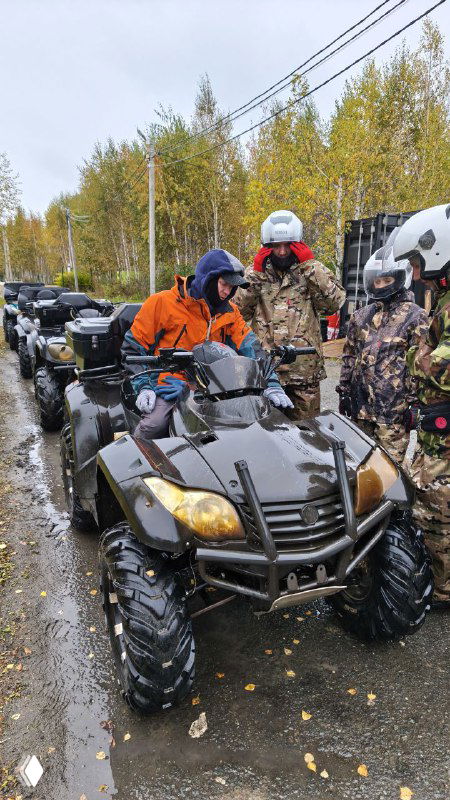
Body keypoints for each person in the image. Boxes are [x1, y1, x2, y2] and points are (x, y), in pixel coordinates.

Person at [122, 248, 293, 440]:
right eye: (223, 284)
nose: (227, 292)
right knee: (155, 424)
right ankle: (138, 464)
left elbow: (251, 348)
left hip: (215, 386)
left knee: (254, 420)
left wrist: (271, 384)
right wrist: (144, 387)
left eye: (232, 287)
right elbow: (133, 347)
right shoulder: (162, 303)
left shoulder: (230, 312)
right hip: (167, 383)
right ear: (207, 278)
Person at [236, 210, 345, 420]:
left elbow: (333, 304)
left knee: (308, 436)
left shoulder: (311, 270)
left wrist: (310, 265)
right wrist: (256, 275)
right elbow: (239, 313)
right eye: (276, 246)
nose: (283, 252)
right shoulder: (255, 273)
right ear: (267, 246)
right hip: (266, 372)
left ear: (297, 244)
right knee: (266, 435)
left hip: (304, 373)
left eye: (287, 245)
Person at [393, 203, 450, 605]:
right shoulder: (443, 302)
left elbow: (443, 369)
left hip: (444, 430)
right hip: (437, 425)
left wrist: (415, 355)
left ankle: (443, 587)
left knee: (436, 503)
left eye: (415, 262)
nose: (414, 273)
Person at [337, 238, 429, 464]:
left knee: (389, 470)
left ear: (399, 279)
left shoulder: (415, 317)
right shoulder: (361, 316)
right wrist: (345, 390)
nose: (381, 286)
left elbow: (420, 365)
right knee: (358, 466)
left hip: (392, 415)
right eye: (377, 281)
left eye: (387, 280)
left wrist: (415, 404)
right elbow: (350, 354)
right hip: (361, 411)